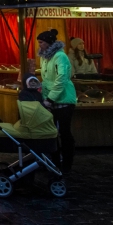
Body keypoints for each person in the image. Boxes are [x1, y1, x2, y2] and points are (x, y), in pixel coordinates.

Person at [37, 29, 77, 174]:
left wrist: (50, 98)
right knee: (51, 131)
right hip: (50, 100)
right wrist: (41, 89)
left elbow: (61, 79)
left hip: (64, 100)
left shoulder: (61, 57)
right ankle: (54, 160)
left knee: (64, 132)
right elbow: (47, 78)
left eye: (41, 42)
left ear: (48, 43)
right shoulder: (44, 57)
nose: (39, 45)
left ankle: (67, 162)